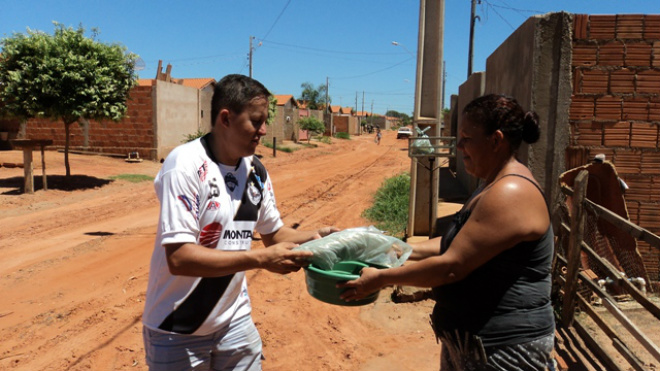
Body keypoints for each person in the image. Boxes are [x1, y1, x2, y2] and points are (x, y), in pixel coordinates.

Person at [340, 94, 555, 371]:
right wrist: (395, 248)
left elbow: (452, 266)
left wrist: (380, 278)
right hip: (474, 342)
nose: (459, 147)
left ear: (496, 140)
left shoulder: (511, 192)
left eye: (467, 138)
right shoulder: (491, 184)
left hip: (506, 349)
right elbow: (460, 242)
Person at [142, 74, 337, 371]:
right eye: (256, 121)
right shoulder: (185, 165)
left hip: (235, 322)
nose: (264, 130)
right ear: (225, 118)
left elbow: (273, 234)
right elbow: (180, 258)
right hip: (178, 328)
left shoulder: (255, 171)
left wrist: (319, 237)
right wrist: (260, 259)